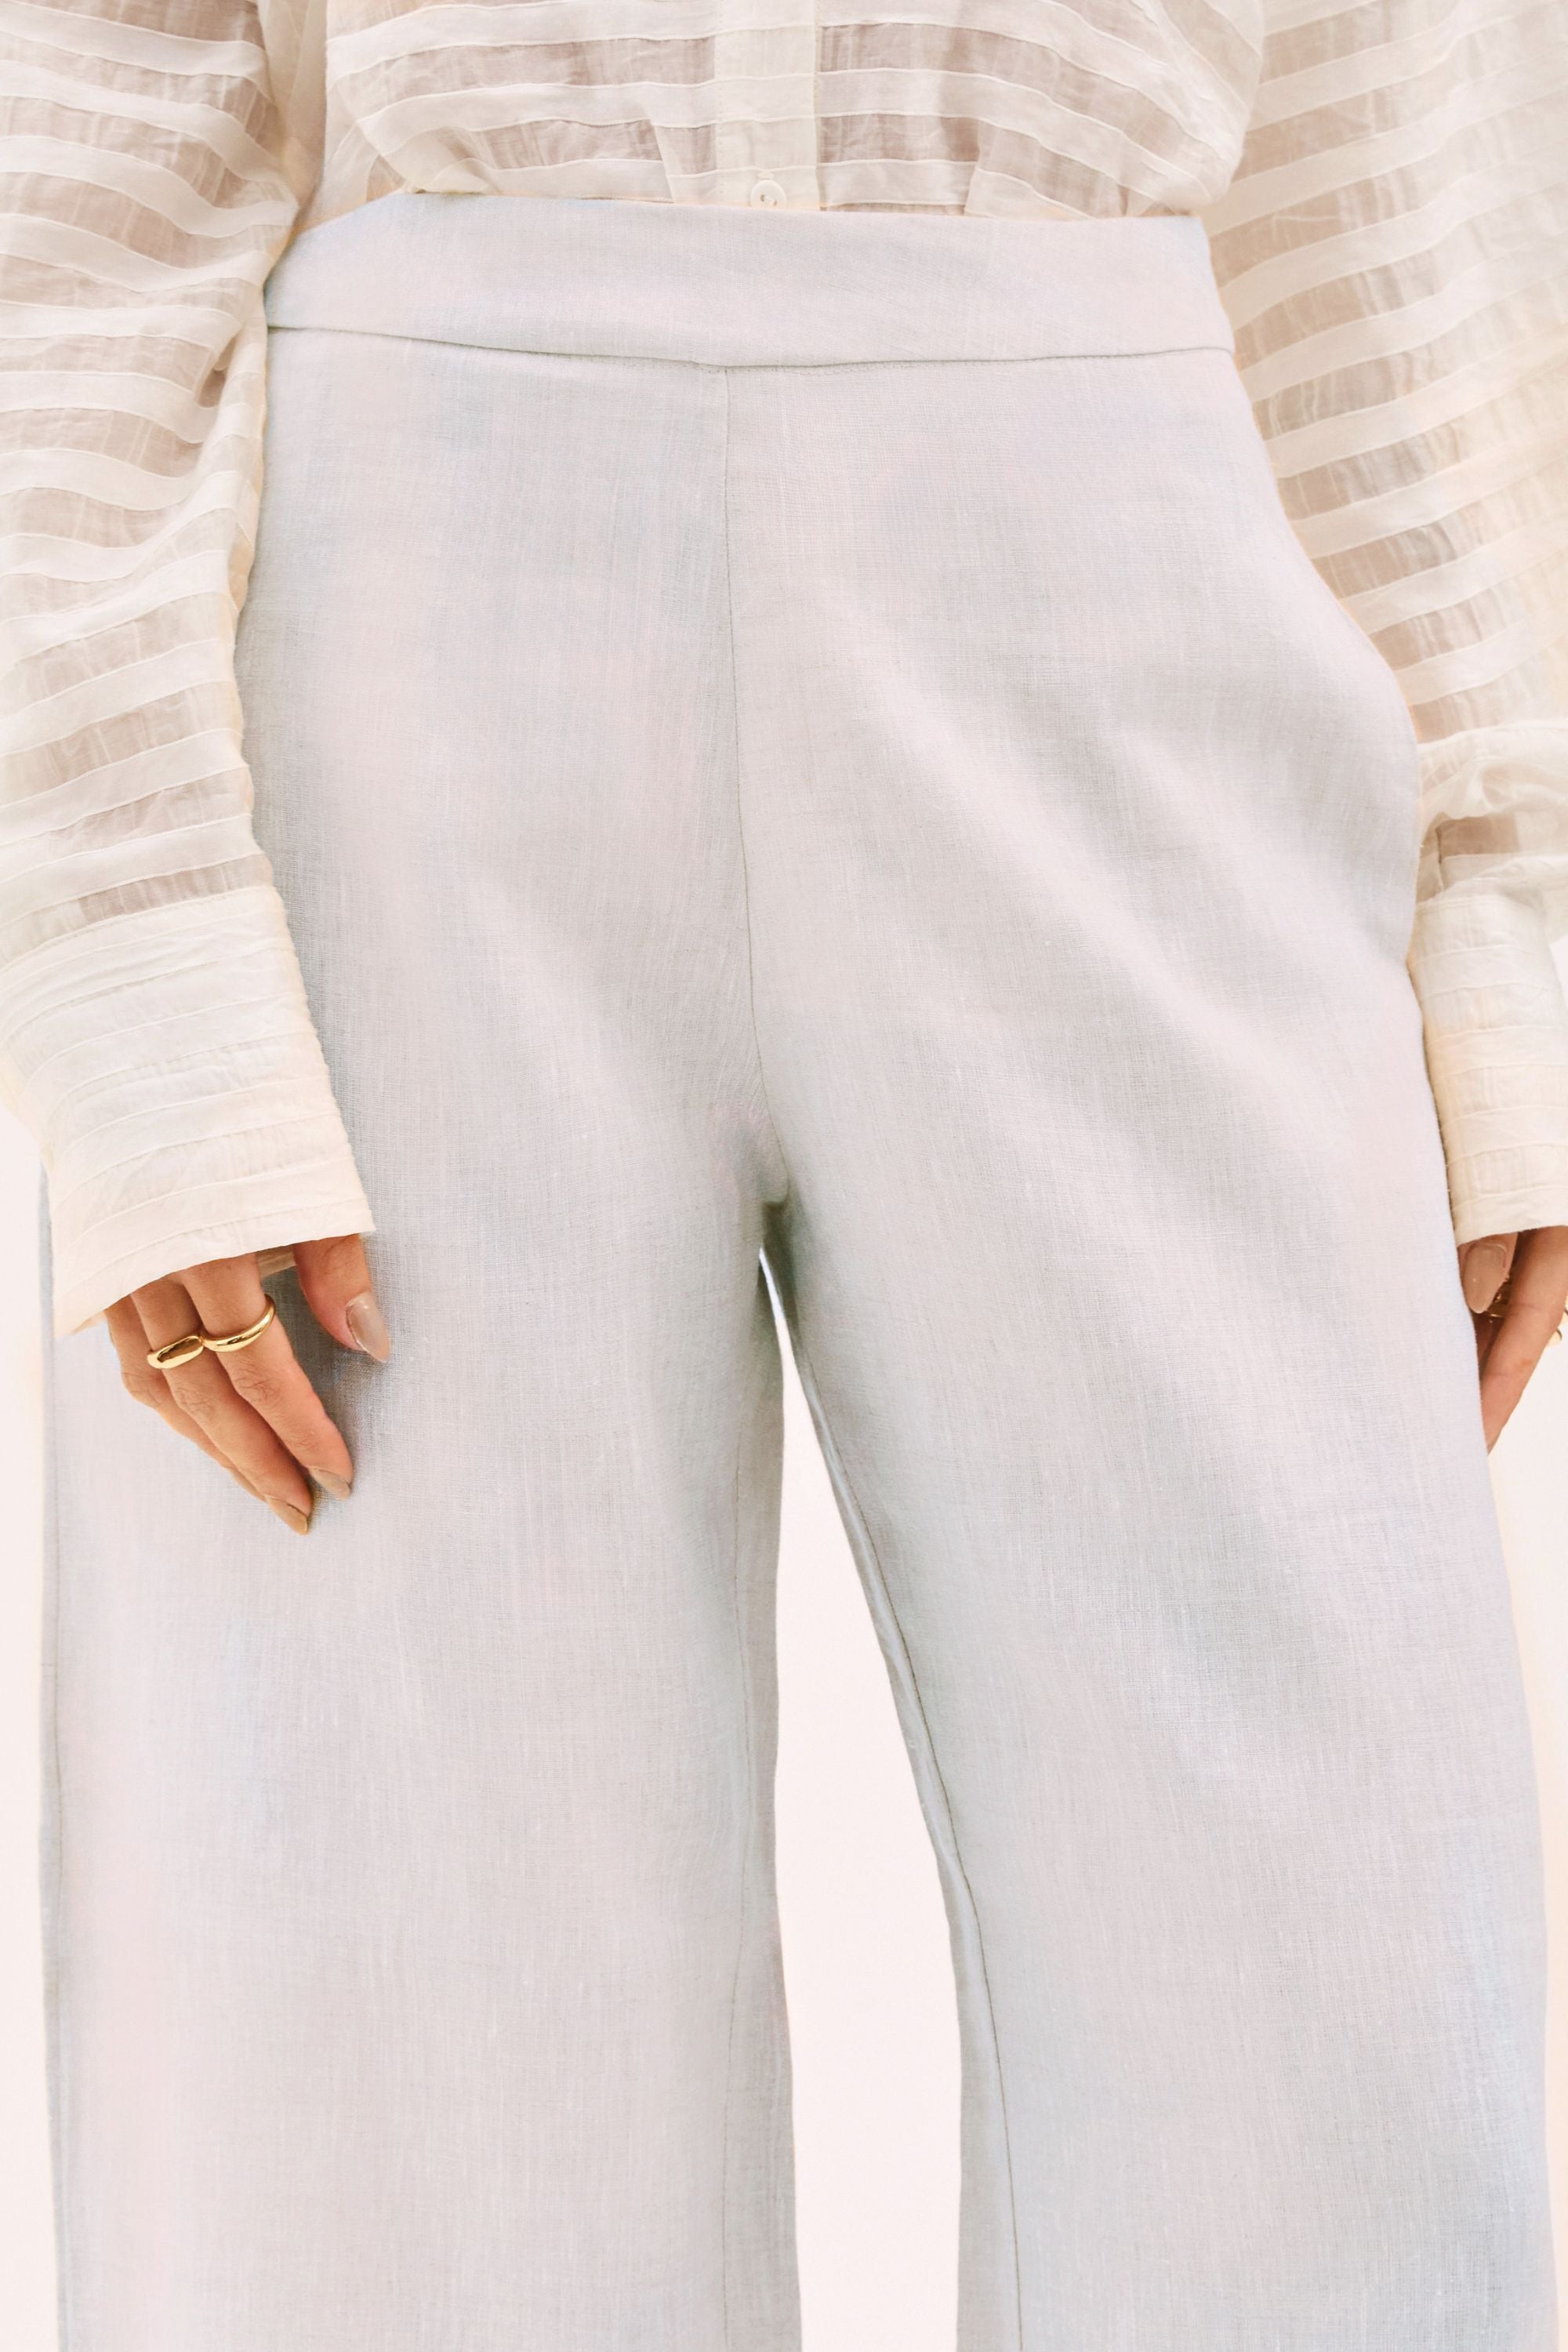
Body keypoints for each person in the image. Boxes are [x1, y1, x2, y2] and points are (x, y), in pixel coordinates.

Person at [1, 2, 1563, 2346]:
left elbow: (1401, 98)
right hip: (401, 585)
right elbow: (93, 98)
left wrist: (1501, 886)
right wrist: (128, 931)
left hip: (1130, 512)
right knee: (384, 2058)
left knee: (1330, 1992)